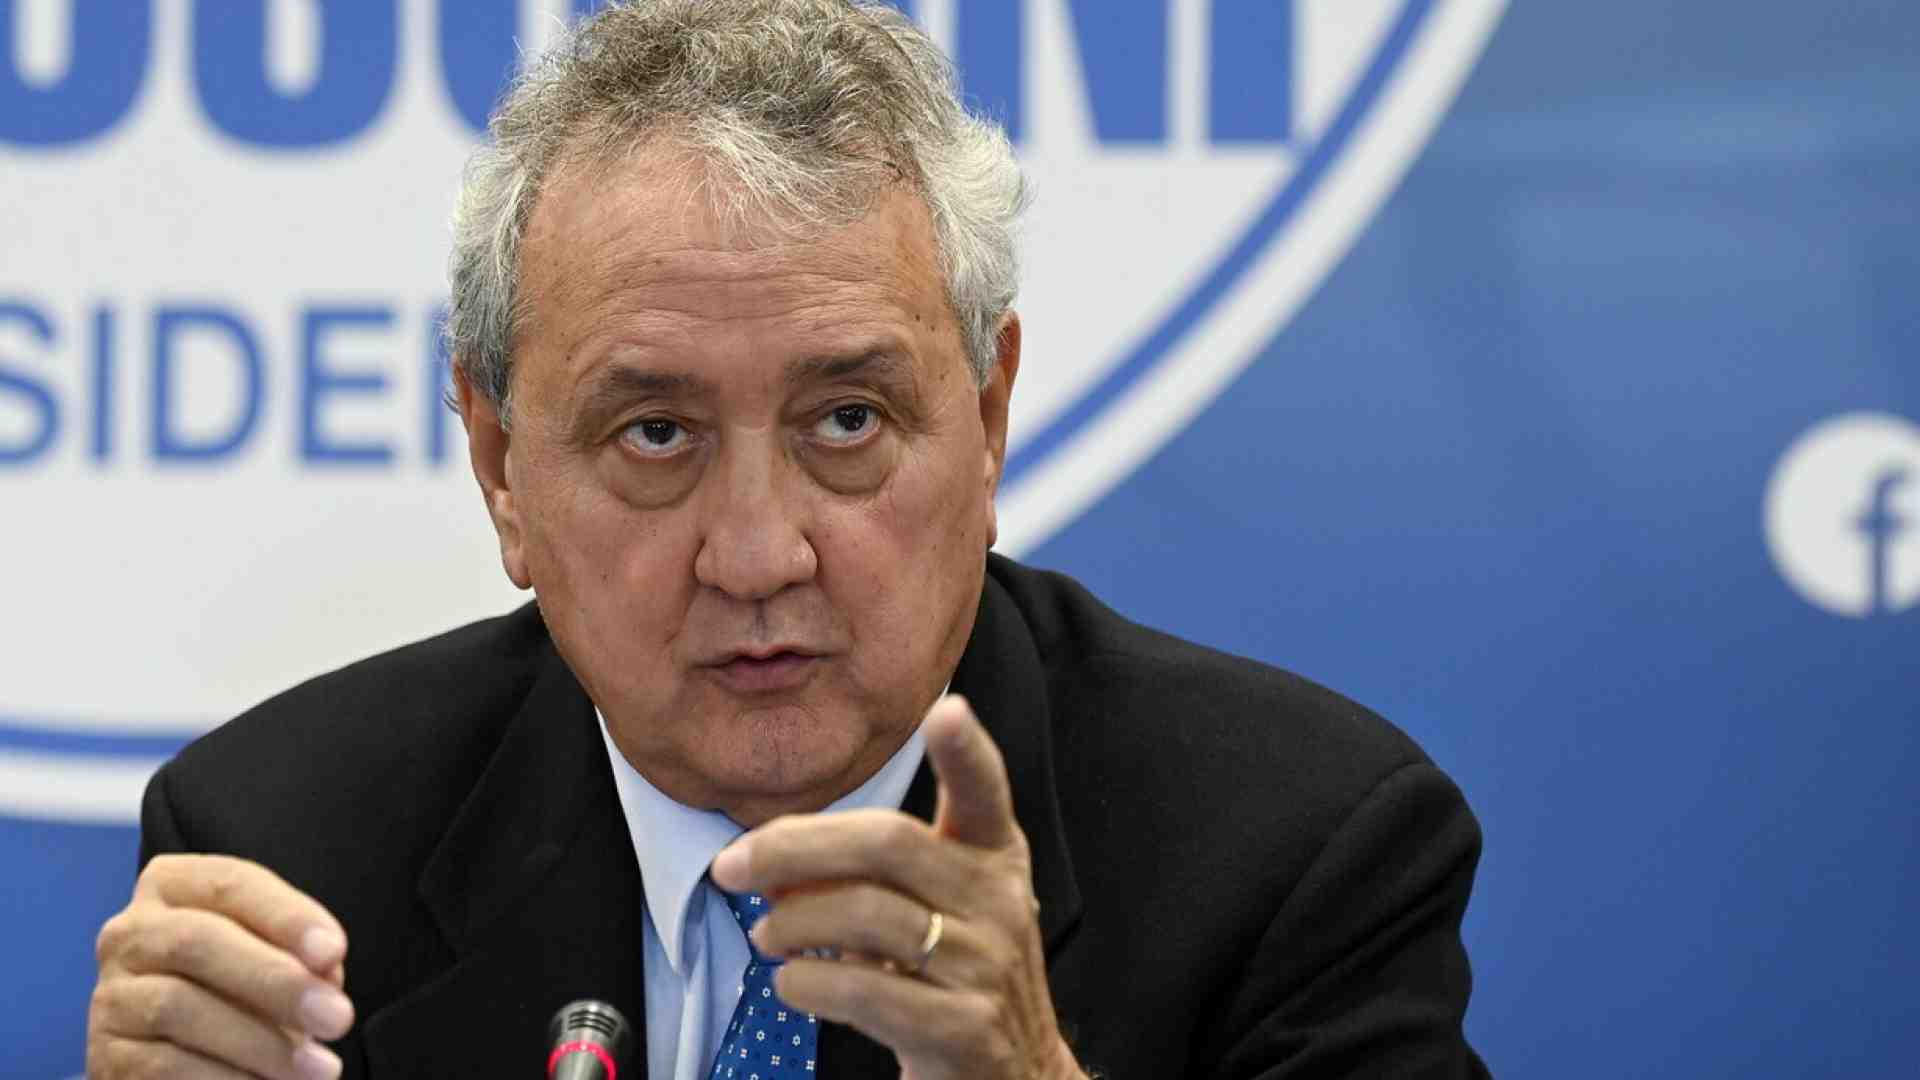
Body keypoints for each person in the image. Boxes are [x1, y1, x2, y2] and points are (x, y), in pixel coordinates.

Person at [86, 2, 1489, 1077]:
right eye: (656, 434)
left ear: (987, 419)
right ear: (502, 466)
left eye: (847, 422)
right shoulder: (292, 866)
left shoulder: (1296, 860)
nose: (758, 557)